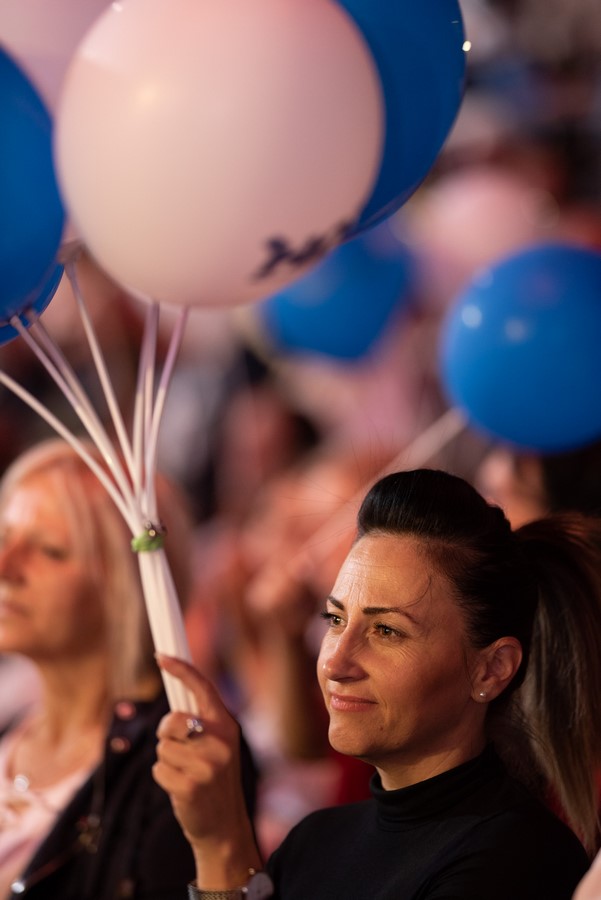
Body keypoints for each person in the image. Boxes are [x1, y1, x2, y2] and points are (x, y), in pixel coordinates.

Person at [153, 467, 601, 900]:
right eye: (335, 619)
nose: (336, 663)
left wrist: (224, 845)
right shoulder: (313, 842)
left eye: (386, 631)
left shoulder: (517, 861)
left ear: (492, 668)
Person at [0, 438, 256, 900]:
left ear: (123, 584)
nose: (4, 567)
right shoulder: (12, 726)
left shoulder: (180, 760)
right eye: (5, 539)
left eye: (49, 551)